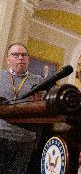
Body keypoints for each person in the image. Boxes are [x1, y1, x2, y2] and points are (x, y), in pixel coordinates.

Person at [0, 43, 43, 173]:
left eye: (24, 55)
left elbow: (45, 109)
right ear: (8, 59)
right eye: (16, 55)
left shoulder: (38, 80)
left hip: (25, 139)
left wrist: (39, 103)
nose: (20, 58)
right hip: (1, 133)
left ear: (28, 59)